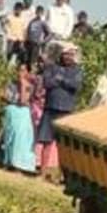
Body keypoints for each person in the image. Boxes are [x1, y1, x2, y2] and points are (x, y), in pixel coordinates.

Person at [37, 44, 82, 180]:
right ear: (61, 54)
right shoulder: (51, 67)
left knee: (65, 146)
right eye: (65, 54)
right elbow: (47, 83)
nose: (67, 57)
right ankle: (43, 172)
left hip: (67, 110)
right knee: (46, 142)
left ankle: (64, 176)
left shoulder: (77, 70)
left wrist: (60, 79)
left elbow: (75, 86)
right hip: (50, 108)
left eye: (70, 54)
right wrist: (64, 82)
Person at [0, 63, 37, 174]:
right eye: (19, 70)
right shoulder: (10, 84)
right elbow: (6, 97)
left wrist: (23, 85)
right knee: (10, 137)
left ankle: (20, 164)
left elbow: (23, 101)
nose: (21, 73)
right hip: (12, 111)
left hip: (23, 112)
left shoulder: (29, 86)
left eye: (23, 70)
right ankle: (9, 162)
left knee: (22, 137)